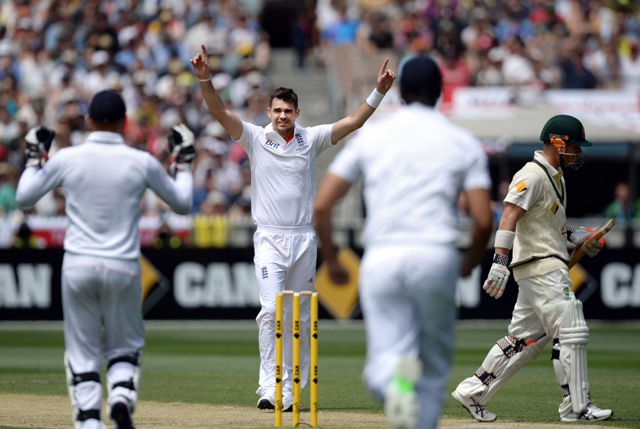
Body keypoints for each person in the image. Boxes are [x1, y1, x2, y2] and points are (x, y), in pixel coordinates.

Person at [190, 44, 396, 411]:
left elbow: (353, 122)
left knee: (299, 316)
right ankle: (269, 386)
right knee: (270, 311)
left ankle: (290, 390)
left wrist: (378, 90)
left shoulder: (310, 138)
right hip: (269, 237)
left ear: (297, 113)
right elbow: (219, 111)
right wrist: (205, 78)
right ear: (268, 112)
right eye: (277, 110)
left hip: (303, 239)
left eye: (288, 111)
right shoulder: (255, 137)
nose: (283, 116)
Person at [314, 56, 494, 429]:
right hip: (436, 257)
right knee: (429, 375)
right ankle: (403, 392)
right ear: (441, 93)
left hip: (383, 258)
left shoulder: (375, 135)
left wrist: (331, 260)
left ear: (401, 91)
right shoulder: (461, 141)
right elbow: (481, 219)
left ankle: (389, 384)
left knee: (390, 358)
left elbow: (322, 204)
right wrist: (470, 260)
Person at [15, 90, 194, 429]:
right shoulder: (139, 160)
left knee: (82, 351)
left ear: (89, 121)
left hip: (78, 265)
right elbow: (182, 203)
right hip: (123, 266)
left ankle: (88, 420)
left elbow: (24, 196)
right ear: (125, 122)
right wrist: (182, 163)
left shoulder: (68, 157)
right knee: (124, 344)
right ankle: (122, 396)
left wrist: (35, 159)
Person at [451, 114, 613, 423]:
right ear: (557, 142)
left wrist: (578, 237)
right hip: (540, 266)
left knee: (522, 340)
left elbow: (551, 225)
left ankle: (472, 391)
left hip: (544, 263)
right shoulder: (533, 175)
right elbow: (509, 214)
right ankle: (577, 406)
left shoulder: (555, 177)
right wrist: (499, 261)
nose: (578, 153)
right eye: (575, 146)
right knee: (571, 330)